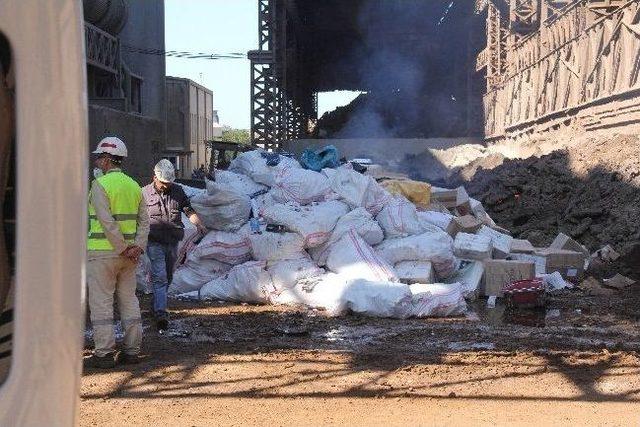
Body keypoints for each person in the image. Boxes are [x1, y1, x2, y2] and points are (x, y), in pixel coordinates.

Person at [87, 137, 150, 368]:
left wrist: (123, 248)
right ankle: (132, 351)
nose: (96, 161)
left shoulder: (100, 186)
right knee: (129, 301)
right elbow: (145, 221)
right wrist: (137, 247)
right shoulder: (134, 185)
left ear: (106, 160)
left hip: (103, 254)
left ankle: (104, 353)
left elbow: (106, 221)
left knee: (102, 304)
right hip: (129, 258)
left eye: (98, 157)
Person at [142, 159, 205, 330]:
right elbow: (139, 219)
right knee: (160, 276)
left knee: (168, 277)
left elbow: (187, 209)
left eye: (168, 183)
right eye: (163, 183)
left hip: (172, 241)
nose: (166, 186)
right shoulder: (143, 194)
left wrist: (198, 223)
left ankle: (155, 304)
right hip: (154, 241)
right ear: (154, 177)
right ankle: (161, 313)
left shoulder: (178, 191)